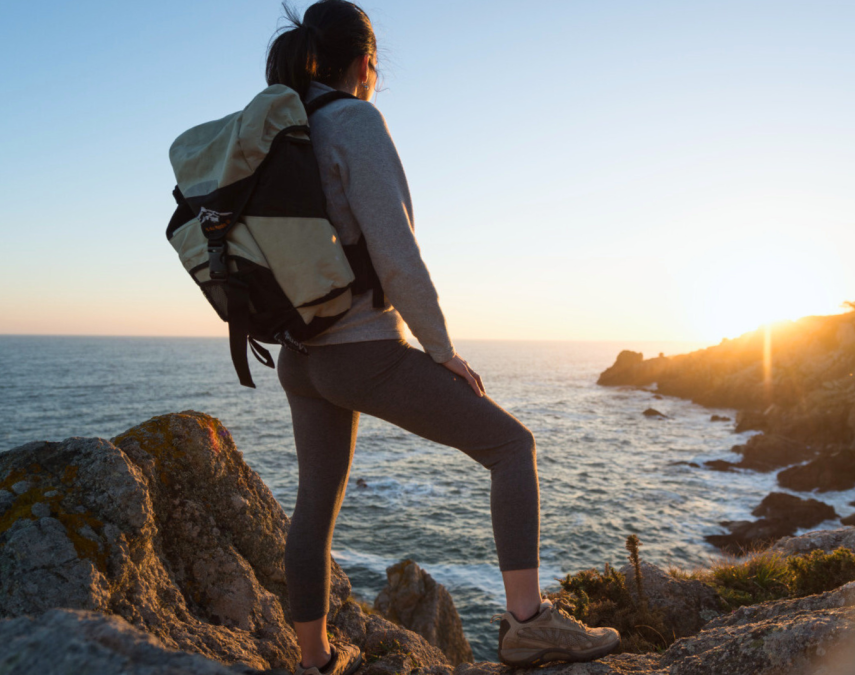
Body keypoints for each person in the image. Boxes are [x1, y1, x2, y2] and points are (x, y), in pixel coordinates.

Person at [265, 3, 620, 673]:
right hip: (361, 351)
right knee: (513, 446)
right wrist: (440, 350)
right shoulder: (353, 119)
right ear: (364, 62)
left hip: (299, 355)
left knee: (314, 503)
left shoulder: (286, 127)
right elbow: (396, 253)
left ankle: (311, 659)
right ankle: (527, 623)